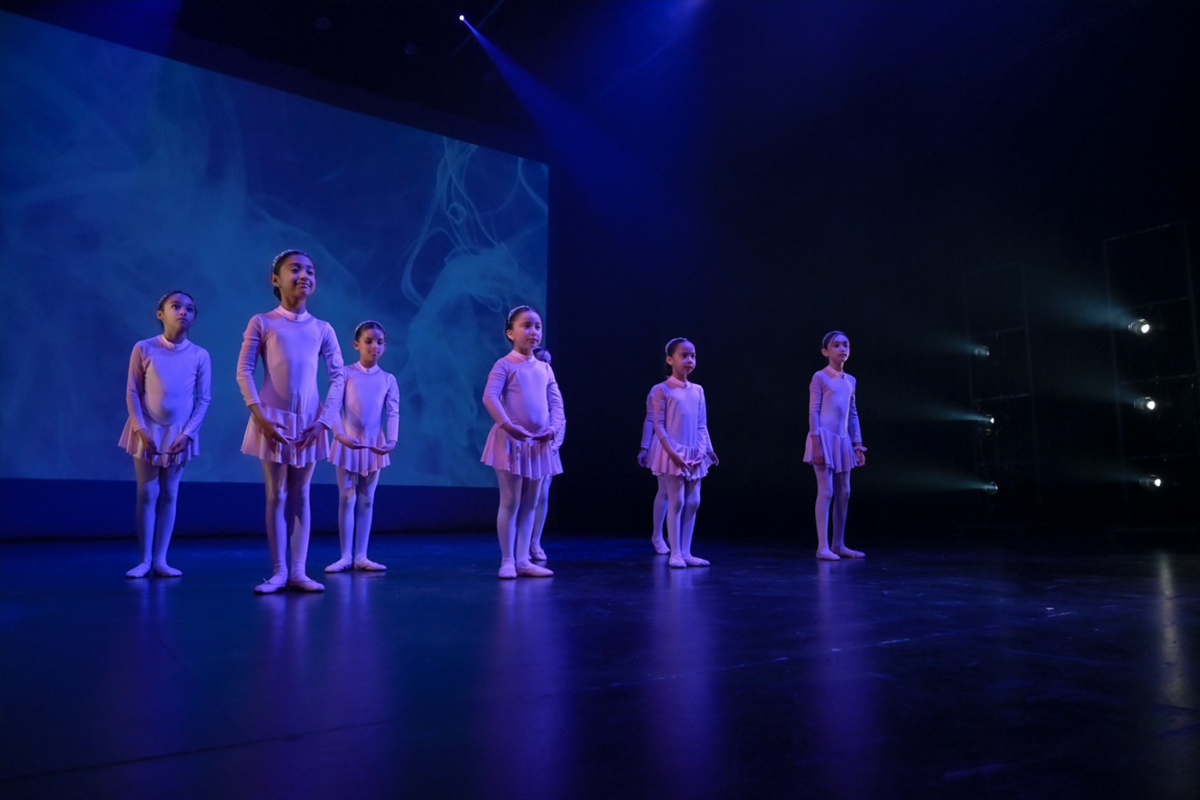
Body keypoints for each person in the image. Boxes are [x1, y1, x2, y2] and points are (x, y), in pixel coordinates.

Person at [237, 249, 344, 593]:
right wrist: (259, 414)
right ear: (275, 279)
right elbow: (244, 371)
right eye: (295, 269)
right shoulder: (263, 322)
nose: (304, 276)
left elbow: (338, 377)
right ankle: (279, 571)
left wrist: (324, 421)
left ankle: (298, 570)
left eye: (310, 271)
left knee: (301, 493)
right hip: (272, 419)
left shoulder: (322, 328)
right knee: (277, 494)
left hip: (310, 421)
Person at [118, 291, 211, 578]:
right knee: (147, 493)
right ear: (161, 314)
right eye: (176, 307)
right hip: (147, 429)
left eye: (189, 309)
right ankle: (144, 560)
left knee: (170, 493)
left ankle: (160, 560)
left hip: (178, 434)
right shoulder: (144, 348)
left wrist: (188, 434)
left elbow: (204, 399)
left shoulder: (199, 355)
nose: (183, 312)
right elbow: (133, 391)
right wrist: (141, 429)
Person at [480, 306, 564, 579]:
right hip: (511, 442)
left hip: (538, 443)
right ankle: (507, 560)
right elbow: (490, 397)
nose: (533, 331)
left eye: (537, 326)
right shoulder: (504, 364)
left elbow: (556, 404)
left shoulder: (545, 369)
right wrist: (507, 425)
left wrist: (553, 429)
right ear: (510, 333)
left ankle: (523, 559)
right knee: (511, 501)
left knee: (531, 502)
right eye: (526, 326)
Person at [325, 320, 398, 573]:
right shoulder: (345, 374)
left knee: (367, 500)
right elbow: (333, 406)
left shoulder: (388, 379)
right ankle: (345, 556)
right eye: (368, 341)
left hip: (373, 445)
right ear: (357, 345)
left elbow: (392, 412)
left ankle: (361, 556)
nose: (374, 346)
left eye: (379, 342)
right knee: (347, 497)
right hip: (348, 442)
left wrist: (391, 440)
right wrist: (339, 435)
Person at [646, 338, 716, 568]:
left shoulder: (698, 390)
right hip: (671, 452)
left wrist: (705, 451)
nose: (689, 360)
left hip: (694, 453)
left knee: (694, 501)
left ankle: (686, 552)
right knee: (676, 500)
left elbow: (702, 425)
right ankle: (675, 553)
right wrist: (673, 454)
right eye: (683, 355)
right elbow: (659, 426)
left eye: (693, 356)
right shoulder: (662, 389)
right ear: (670, 359)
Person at [803, 330, 867, 560]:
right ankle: (822, 547)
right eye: (836, 345)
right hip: (823, 438)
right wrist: (816, 442)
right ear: (825, 351)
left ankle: (838, 544)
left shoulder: (850, 381)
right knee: (826, 491)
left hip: (842, 441)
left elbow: (853, 414)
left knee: (845, 492)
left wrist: (857, 445)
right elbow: (814, 411)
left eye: (845, 345)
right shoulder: (820, 377)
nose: (842, 349)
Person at [639, 409, 718, 556]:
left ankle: (676, 536)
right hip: (666, 445)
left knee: (688, 496)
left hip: (689, 444)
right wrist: (644, 447)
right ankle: (657, 535)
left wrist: (708, 449)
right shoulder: (658, 395)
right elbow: (651, 420)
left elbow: (699, 423)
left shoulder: (695, 395)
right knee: (665, 491)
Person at [528, 346, 564, 562]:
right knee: (523, 498)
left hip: (548, 450)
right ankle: (520, 543)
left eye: (549, 361)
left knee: (542, 496)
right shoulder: (525, 384)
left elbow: (561, 419)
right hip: (526, 448)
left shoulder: (551, 385)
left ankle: (535, 542)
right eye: (542, 360)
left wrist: (552, 447)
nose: (546, 365)